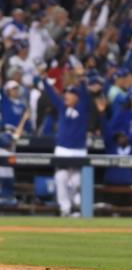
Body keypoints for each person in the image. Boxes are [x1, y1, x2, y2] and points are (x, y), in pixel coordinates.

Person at [42, 79, 90, 217]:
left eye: (70, 94)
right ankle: (65, 208)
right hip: (62, 149)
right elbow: (52, 95)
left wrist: (81, 81)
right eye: (66, 94)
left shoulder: (83, 107)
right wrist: (44, 80)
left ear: (76, 97)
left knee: (76, 181)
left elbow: (86, 96)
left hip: (79, 151)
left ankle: (75, 206)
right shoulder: (62, 108)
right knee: (60, 177)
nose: (66, 96)